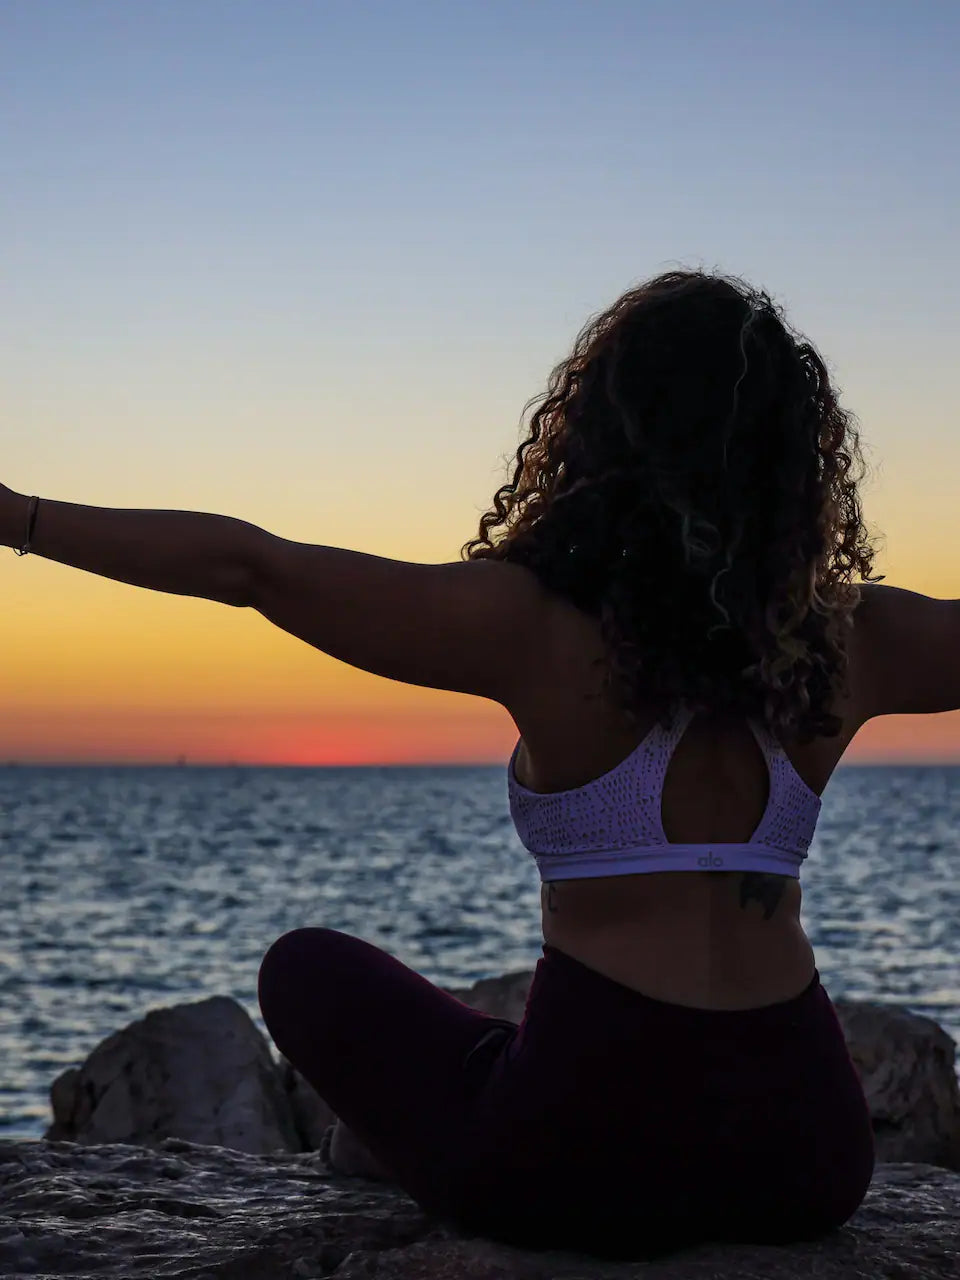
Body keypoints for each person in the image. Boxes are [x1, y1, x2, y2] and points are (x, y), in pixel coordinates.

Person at [3, 267, 957, 1260]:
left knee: (307, 967)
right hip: (805, 1153)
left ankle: (414, 1135)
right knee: (491, 1045)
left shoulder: (535, 625)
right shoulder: (858, 639)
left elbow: (253, 567)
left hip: (577, 1156)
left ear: (602, 434)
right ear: (796, 464)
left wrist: (16, 516)